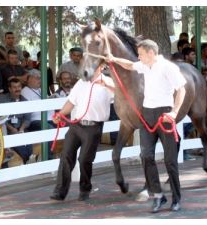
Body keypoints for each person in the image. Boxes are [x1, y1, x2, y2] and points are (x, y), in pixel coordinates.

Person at [108, 39, 186, 213]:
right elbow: (129, 65)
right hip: (147, 115)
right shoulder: (144, 66)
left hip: (164, 115)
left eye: (141, 54)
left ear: (151, 53)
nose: (138, 57)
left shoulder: (168, 67)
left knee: (170, 160)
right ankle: (158, 195)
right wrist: (113, 58)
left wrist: (174, 112)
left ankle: (176, 198)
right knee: (146, 156)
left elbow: (182, 89)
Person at [50, 63, 114, 201]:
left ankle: (85, 188)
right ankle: (60, 191)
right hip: (76, 125)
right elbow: (71, 102)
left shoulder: (108, 82)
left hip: (93, 127)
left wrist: (108, 86)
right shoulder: (81, 82)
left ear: (101, 67)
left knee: (85, 159)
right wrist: (60, 114)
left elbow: (121, 96)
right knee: (66, 155)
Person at [0, 78, 32, 164]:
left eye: (19, 86)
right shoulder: (3, 99)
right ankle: (29, 161)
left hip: (21, 128)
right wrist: (12, 129)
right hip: (7, 129)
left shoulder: (25, 100)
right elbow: (0, 118)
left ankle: (29, 159)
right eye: (14, 87)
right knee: (18, 143)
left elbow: (27, 119)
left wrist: (21, 129)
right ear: (9, 89)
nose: (17, 89)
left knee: (29, 142)